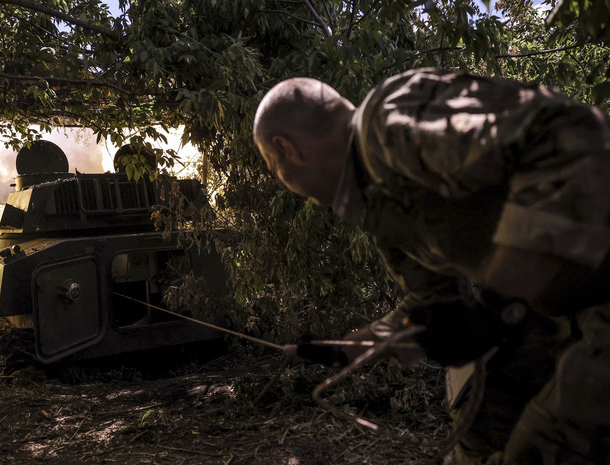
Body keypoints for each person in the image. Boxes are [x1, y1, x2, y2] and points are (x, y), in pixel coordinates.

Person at [253, 69, 610, 465]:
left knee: (544, 449)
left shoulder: (388, 125)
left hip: (595, 307)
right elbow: (433, 300)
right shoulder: (374, 198)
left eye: (273, 168)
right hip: (554, 325)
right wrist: (353, 349)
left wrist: (498, 303)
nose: (282, 179)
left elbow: (565, 132)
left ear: (288, 149)